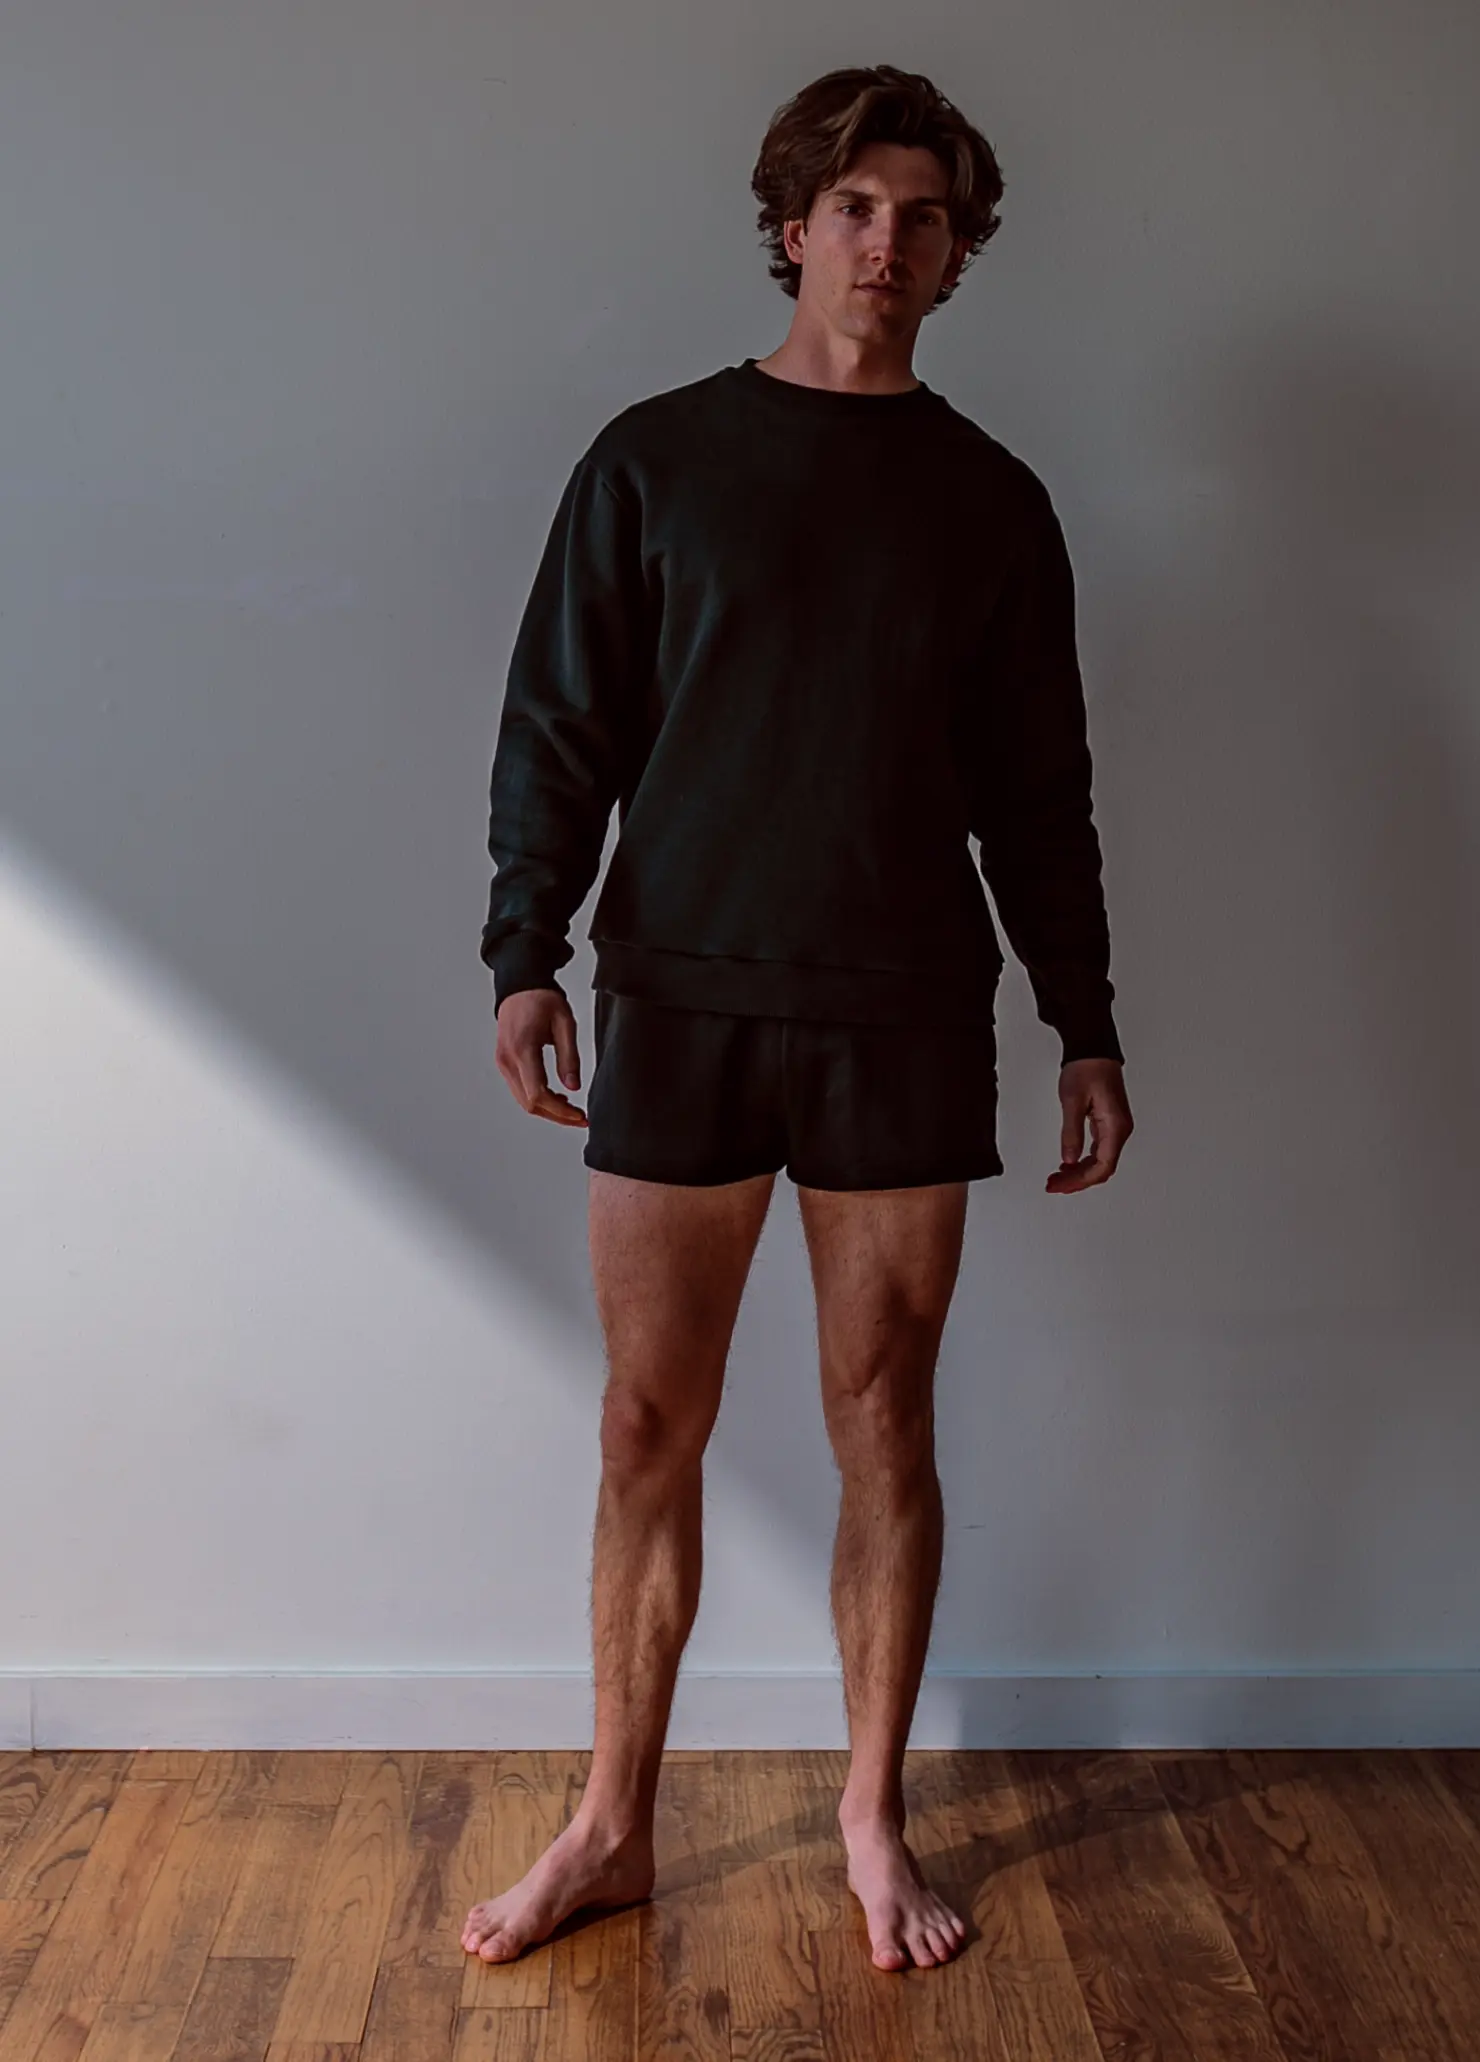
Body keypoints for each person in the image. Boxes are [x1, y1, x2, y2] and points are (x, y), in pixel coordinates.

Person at [464, 62, 1135, 1976]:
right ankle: (608, 1819)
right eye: (852, 206)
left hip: (905, 1013)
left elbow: (1040, 790)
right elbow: (558, 726)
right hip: (676, 991)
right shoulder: (655, 459)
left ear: (956, 252)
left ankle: (867, 1814)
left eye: (921, 216)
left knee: (879, 1423)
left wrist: (1083, 1018)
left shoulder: (992, 502)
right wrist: (526, 949)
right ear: (789, 222)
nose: (884, 242)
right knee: (643, 1423)